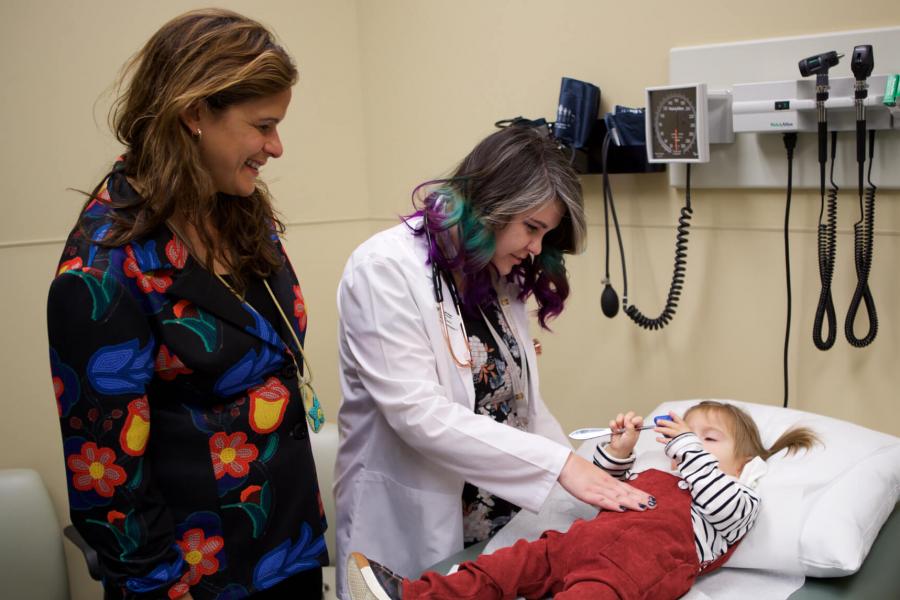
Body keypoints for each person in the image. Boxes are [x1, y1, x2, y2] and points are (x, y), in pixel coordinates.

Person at [46, 9, 327, 600]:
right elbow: (111, 488)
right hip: (198, 579)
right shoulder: (102, 272)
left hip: (287, 545)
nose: (276, 147)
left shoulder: (240, 207)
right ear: (195, 114)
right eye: (263, 125)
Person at [334, 125, 653, 599]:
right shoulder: (384, 269)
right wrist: (561, 466)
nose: (536, 249)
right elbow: (418, 415)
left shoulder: (493, 277)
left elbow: (526, 407)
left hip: (495, 529)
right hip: (413, 526)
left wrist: (579, 489)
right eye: (532, 228)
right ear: (490, 207)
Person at [346, 401, 821, 600]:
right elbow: (601, 488)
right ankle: (415, 595)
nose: (688, 443)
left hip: (637, 565)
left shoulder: (738, 493)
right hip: (581, 540)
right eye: (685, 434)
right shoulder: (655, 471)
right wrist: (617, 453)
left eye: (709, 438)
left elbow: (726, 509)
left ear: (743, 461)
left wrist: (688, 449)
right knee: (506, 565)